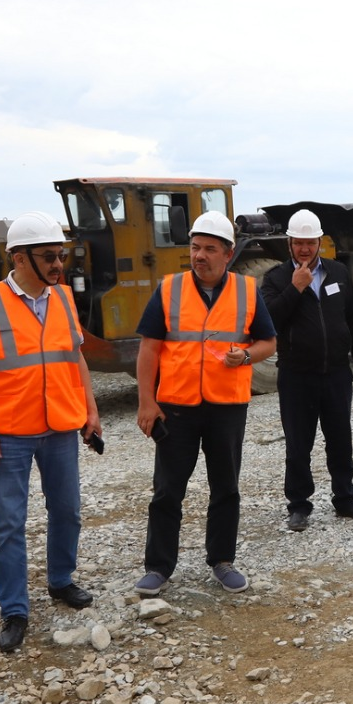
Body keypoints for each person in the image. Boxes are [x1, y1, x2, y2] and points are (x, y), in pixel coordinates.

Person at [0, 211, 102, 654]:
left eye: (61, 255)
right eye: (49, 256)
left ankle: (61, 580)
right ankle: (15, 610)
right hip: (7, 432)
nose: (58, 264)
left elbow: (75, 358)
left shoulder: (62, 299)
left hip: (60, 426)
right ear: (19, 258)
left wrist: (90, 410)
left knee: (68, 510)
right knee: (10, 524)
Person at [133, 211, 277, 596]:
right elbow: (149, 349)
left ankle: (222, 561)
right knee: (167, 490)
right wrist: (146, 402)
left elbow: (268, 342)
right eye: (195, 247)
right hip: (176, 407)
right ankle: (158, 567)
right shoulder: (169, 289)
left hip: (227, 406)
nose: (200, 255)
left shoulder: (247, 291)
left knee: (226, 487)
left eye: (210, 249)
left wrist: (245, 356)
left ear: (228, 254)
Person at [259, 208, 353, 531]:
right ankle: (299, 505)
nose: (304, 249)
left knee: (340, 440)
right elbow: (269, 319)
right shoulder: (276, 278)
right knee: (299, 445)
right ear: (289, 244)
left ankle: (346, 499)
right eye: (298, 243)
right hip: (296, 376)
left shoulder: (338, 272)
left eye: (310, 243)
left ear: (319, 243)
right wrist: (295, 287)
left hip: (336, 373)